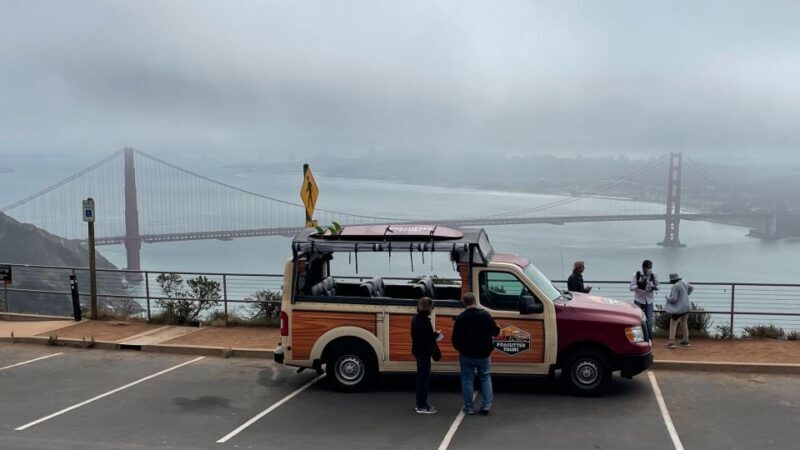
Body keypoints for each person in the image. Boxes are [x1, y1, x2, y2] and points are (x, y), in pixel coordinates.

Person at [451, 292, 500, 416]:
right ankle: (486, 406)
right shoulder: (485, 315)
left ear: (464, 303)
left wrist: (461, 349)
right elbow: (495, 332)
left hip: (467, 354)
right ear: (475, 301)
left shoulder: (460, 318)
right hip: (484, 353)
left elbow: (455, 339)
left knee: (467, 380)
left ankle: (469, 407)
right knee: (485, 377)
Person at [411, 296, 443, 414]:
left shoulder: (415, 319)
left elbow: (419, 336)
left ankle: (420, 404)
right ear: (428, 308)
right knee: (424, 380)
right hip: (424, 352)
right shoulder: (425, 321)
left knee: (421, 378)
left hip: (417, 351)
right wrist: (437, 335)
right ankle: (422, 406)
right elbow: (429, 339)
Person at [665, 273, 694, 349]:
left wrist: (667, 298)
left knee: (673, 323)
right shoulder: (684, 282)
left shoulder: (675, 286)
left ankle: (671, 342)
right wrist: (686, 294)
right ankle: (686, 340)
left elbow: (674, 299)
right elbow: (691, 287)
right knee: (684, 322)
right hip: (687, 306)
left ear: (672, 280)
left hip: (679, 308)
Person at [630, 259, 659, 339]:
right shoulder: (636, 275)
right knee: (637, 320)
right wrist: (638, 285)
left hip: (649, 301)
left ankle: (649, 339)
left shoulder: (653, 275)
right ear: (643, 268)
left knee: (649, 321)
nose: (650, 270)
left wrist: (654, 288)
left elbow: (658, 285)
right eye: (648, 268)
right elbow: (631, 288)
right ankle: (637, 338)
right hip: (639, 300)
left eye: (651, 268)